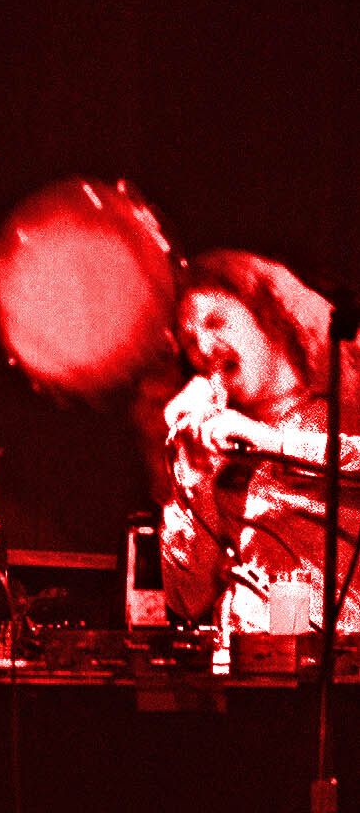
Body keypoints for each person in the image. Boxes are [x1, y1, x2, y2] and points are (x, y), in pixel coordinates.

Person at [160, 249, 360, 634]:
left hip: (337, 677)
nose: (203, 347)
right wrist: (191, 474)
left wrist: (271, 442)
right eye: (188, 340)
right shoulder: (212, 446)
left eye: (215, 321)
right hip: (245, 676)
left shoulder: (345, 407)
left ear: (269, 317)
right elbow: (187, 600)